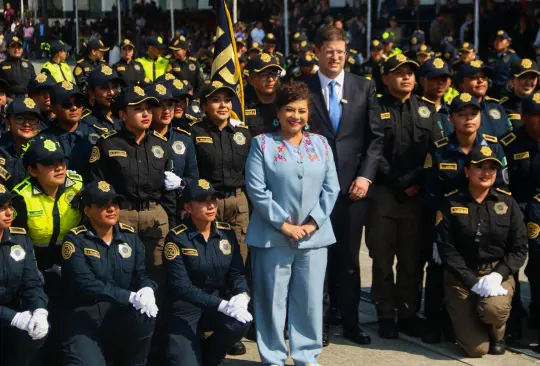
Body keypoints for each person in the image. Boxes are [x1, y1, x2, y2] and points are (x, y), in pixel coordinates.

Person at [245, 81, 339, 365]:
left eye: (301, 110)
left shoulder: (321, 144)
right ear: (278, 111)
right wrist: (284, 225)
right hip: (273, 237)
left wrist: (312, 223)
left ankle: (306, 355)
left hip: (314, 238)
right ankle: (273, 357)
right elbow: (256, 189)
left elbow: (331, 188)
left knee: (309, 302)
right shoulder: (262, 144)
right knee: (271, 301)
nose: (295, 116)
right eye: (289, 110)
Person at [304, 25, 383, 346]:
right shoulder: (302, 88)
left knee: (350, 260)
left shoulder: (363, 87)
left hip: (354, 190)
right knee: (318, 258)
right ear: (317, 52)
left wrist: (365, 176)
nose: (335, 57)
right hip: (313, 191)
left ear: (347, 53)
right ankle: (318, 324)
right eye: (329, 51)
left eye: (340, 51)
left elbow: (376, 138)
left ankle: (351, 321)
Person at [422, 92, 508, 343]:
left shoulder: (493, 146)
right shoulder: (440, 149)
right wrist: (439, 234)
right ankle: (434, 320)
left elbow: (502, 190)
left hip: (484, 223)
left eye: (473, 114)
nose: (468, 119)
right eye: (462, 115)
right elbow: (431, 194)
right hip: (449, 224)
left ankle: (491, 326)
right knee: (438, 270)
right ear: (451, 118)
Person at [367, 53, 442, 339]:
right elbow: (371, 149)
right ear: (386, 78)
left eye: (410, 72)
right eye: (399, 72)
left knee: (411, 259)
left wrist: (414, 180)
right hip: (384, 193)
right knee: (383, 258)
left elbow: (433, 151)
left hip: (415, 195)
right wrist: (396, 180)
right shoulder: (374, 108)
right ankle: (386, 313)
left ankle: (408, 312)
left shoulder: (426, 109)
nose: (406, 76)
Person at [436, 144, 527, 357]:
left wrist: (498, 275)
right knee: (476, 350)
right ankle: (461, 317)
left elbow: (519, 248)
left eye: (491, 168)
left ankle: (498, 333)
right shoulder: (451, 202)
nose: (486, 173)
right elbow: (447, 249)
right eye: (480, 167)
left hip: (496, 273)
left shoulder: (508, 203)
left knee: (493, 311)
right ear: (467, 171)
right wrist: (472, 282)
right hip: (462, 278)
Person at [60, 180, 157, 366]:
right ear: (87, 210)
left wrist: (148, 288)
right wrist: (129, 296)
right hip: (85, 315)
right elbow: (84, 283)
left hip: (119, 312)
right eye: (103, 205)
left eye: (114, 203)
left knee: (147, 313)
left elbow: (141, 273)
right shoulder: (75, 240)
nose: (111, 209)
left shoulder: (129, 236)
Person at [88, 85, 176, 281]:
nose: (145, 113)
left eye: (147, 109)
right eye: (137, 109)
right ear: (123, 114)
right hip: (120, 215)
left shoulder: (161, 144)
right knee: (120, 272)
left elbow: (169, 187)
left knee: (158, 273)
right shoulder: (107, 144)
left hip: (155, 216)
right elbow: (97, 185)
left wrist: (170, 219)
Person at [162, 178, 252, 366]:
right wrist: (221, 305)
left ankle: (211, 356)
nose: (211, 206)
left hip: (214, 304)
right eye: (203, 201)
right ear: (187, 207)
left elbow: (236, 272)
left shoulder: (226, 233)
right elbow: (181, 287)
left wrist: (242, 294)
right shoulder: (177, 238)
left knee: (241, 321)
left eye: (213, 200)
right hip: (185, 309)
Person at [175, 81, 251, 264]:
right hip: (207, 203)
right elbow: (183, 168)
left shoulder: (243, 133)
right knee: (209, 256)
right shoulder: (192, 132)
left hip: (238, 203)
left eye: (227, 100)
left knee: (240, 257)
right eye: (216, 100)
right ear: (204, 106)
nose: (223, 105)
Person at [501, 91, 540, 337]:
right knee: (512, 262)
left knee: (538, 265)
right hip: (517, 208)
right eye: (537, 115)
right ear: (524, 118)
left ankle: (537, 312)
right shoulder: (508, 143)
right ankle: (512, 315)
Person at [0, 184, 50, 366]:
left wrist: (39, 311)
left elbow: (31, 282)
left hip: (11, 313)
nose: (9, 212)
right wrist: (14, 318)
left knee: (35, 331)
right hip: (8, 315)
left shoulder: (20, 238)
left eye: (9, 206)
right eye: (1, 208)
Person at [38, 81, 98, 178]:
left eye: (78, 103)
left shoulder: (96, 134)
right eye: (66, 104)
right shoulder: (42, 140)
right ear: (53, 108)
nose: (74, 108)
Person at [147, 82, 198, 187]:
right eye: (159, 105)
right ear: (148, 109)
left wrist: (181, 182)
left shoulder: (184, 138)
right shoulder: (141, 138)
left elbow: (193, 178)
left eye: (170, 105)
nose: (166, 111)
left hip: (177, 200)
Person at [456, 61, 512, 138]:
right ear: (461, 85)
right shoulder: (455, 111)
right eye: (474, 77)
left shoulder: (496, 107)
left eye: (483, 77)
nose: (480, 81)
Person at [0, 96, 43, 189]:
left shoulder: (45, 148)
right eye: (19, 118)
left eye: (32, 119)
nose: (27, 124)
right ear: (7, 121)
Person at [244, 53, 284, 136]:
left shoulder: (286, 99)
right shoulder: (243, 104)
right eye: (264, 75)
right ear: (251, 79)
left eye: (274, 74)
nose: (270, 79)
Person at [81, 64, 125, 134]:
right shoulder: (84, 122)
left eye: (115, 86)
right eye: (105, 88)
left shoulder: (127, 116)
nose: (112, 93)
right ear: (92, 92)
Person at [499, 58, 540, 129]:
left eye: (532, 77)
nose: (528, 82)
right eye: (523, 77)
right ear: (511, 80)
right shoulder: (503, 106)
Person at [417, 57, 452, 137]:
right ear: (422, 81)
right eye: (434, 78)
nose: (440, 83)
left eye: (443, 79)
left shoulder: (453, 112)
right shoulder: (412, 110)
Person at [486, 30, 521, 99]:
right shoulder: (490, 56)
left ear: (508, 43)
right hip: (491, 91)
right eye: (496, 40)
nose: (498, 42)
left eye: (501, 40)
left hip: (506, 92)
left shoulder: (513, 57)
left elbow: (518, 73)